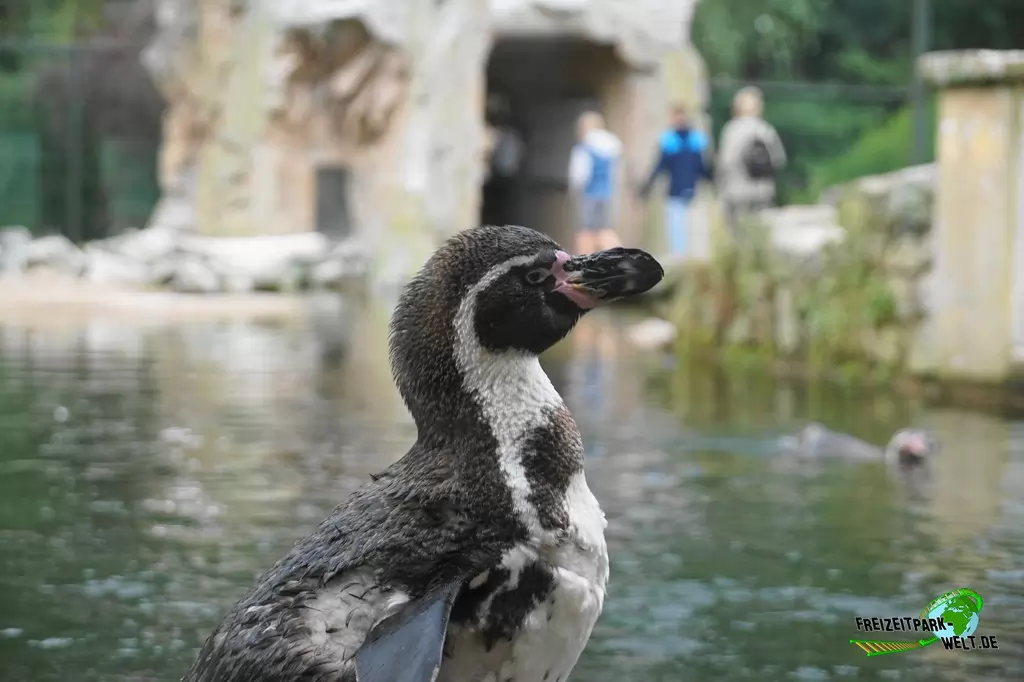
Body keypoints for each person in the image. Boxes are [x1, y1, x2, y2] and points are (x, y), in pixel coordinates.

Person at [638, 104, 710, 260]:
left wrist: (712, 181)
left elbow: (704, 166)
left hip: (693, 190)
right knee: (676, 227)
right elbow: (660, 166)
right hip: (675, 190)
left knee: (693, 227)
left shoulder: (695, 140)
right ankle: (680, 256)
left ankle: (694, 256)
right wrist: (647, 185)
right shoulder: (670, 140)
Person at [716, 86, 787, 236]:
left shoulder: (732, 129)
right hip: (763, 191)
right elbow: (779, 160)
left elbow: (725, 162)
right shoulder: (766, 130)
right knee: (761, 234)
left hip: (736, 192)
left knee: (737, 235)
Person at [568, 111, 623, 254]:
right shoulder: (612, 145)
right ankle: (618, 260)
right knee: (605, 230)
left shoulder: (584, 147)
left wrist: (574, 191)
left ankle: (583, 263)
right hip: (607, 194)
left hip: (589, 194)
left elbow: (579, 175)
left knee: (585, 231)